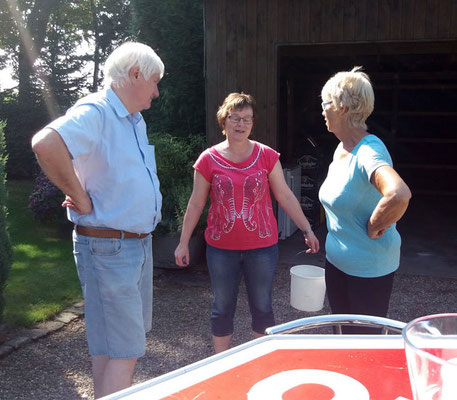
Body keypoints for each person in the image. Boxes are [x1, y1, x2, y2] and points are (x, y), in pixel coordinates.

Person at [31, 42, 164, 398]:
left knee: (110, 347)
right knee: (126, 349)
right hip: (111, 246)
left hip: (129, 244)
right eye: (154, 81)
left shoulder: (133, 119)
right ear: (135, 74)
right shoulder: (98, 110)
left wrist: (81, 189)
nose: (156, 90)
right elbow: (46, 143)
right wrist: (78, 194)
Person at [174, 92, 319, 353]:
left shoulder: (266, 156)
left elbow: (284, 195)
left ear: (253, 124)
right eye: (235, 118)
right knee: (222, 306)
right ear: (224, 120)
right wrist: (183, 243)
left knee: (262, 305)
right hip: (220, 249)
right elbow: (196, 204)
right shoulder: (208, 159)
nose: (241, 124)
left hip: (262, 247)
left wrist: (307, 229)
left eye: (247, 120)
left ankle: (260, 361)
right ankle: (222, 364)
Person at [318, 67, 412, 334]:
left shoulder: (369, 151)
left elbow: (398, 193)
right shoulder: (342, 148)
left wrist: (375, 223)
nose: (322, 111)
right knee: (342, 336)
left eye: (326, 104)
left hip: (367, 272)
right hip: (337, 263)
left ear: (342, 108)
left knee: (363, 344)